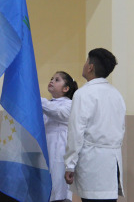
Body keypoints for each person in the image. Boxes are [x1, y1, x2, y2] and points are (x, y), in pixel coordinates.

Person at [64, 48, 126, 202]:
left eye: (86, 61)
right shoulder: (117, 94)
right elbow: (121, 129)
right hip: (113, 161)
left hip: (92, 162)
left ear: (90, 67)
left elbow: (76, 132)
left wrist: (70, 165)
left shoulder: (83, 94)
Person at [41, 71, 78, 202]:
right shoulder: (48, 104)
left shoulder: (69, 104)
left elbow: (57, 112)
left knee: (58, 191)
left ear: (66, 88)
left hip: (59, 154)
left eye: (57, 80)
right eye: (51, 78)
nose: (52, 81)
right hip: (47, 151)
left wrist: (36, 98)